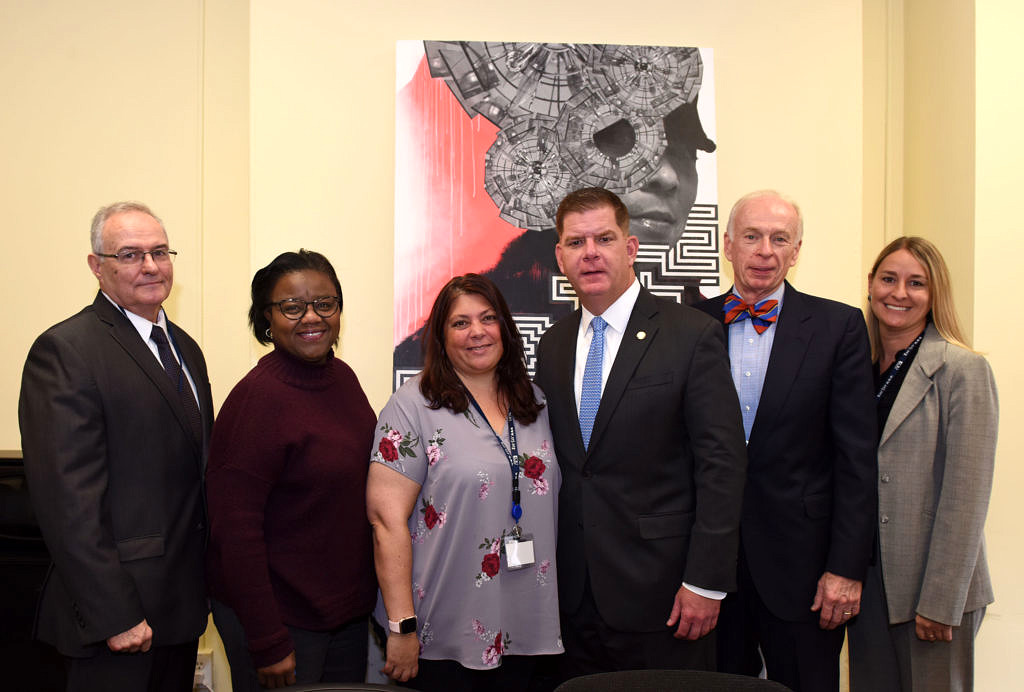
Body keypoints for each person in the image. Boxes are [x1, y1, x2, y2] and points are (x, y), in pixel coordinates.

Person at [534, 187, 747, 679]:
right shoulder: (553, 344)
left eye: (603, 238)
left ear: (630, 248)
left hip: (666, 596)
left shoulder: (691, 335)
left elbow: (723, 465)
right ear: (560, 256)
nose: (590, 253)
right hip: (574, 597)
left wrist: (706, 582)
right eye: (576, 242)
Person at [19, 202, 213, 692]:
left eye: (159, 252)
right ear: (96, 266)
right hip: (116, 623)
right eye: (130, 255)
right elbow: (68, 504)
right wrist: (115, 615)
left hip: (181, 611)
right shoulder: (66, 351)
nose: (150, 266)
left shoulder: (186, 348)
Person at [695, 190, 877, 691]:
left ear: (796, 252)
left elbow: (856, 459)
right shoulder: (690, 325)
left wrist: (846, 568)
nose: (765, 251)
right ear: (727, 244)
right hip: (711, 569)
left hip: (806, 570)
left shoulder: (838, 327)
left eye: (780, 239)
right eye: (752, 236)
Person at [368, 273, 562, 691]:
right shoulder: (412, 406)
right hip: (444, 628)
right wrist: (401, 627)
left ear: (505, 329)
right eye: (460, 323)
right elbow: (386, 522)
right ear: (441, 336)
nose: (477, 332)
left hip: (531, 627)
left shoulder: (538, 402)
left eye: (488, 318)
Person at [205, 250, 377, 690]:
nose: (311, 317)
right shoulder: (257, 400)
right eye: (292, 307)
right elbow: (235, 533)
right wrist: (267, 640)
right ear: (266, 319)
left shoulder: (343, 379)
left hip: (344, 617)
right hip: (281, 622)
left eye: (325, 303)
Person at [848, 237, 997, 691]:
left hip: (931, 587)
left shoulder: (961, 369)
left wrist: (941, 600)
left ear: (935, 295)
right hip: (869, 584)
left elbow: (966, 496)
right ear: (870, 284)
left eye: (917, 283)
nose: (899, 293)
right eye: (888, 279)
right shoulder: (858, 366)